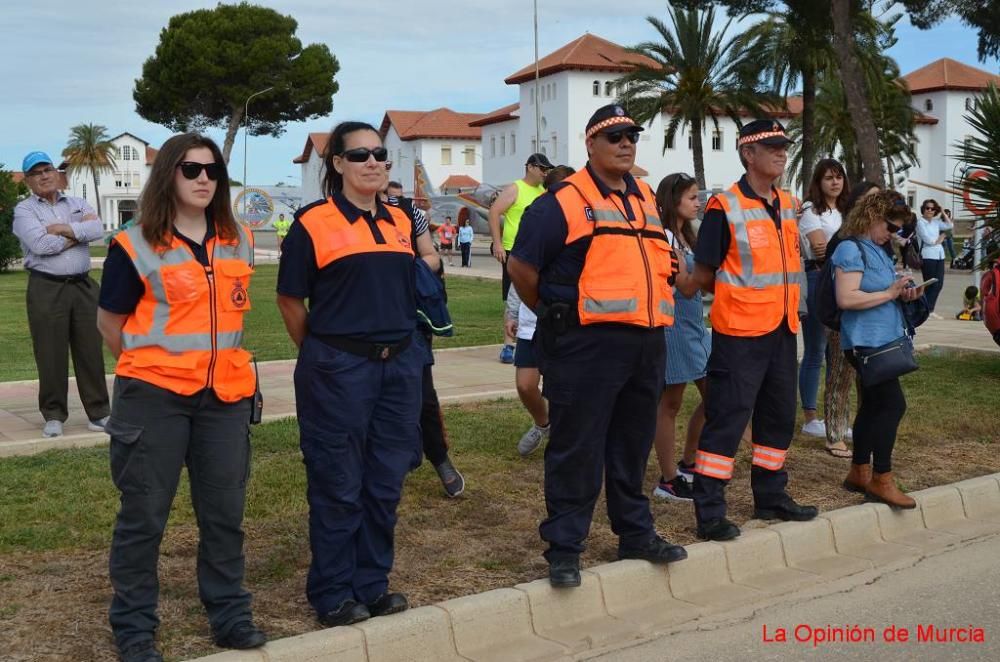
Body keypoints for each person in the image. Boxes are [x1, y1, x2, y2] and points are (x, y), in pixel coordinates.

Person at [96, 133, 266, 662]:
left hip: (226, 397)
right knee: (144, 515)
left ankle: (230, 615)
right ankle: (134, 627)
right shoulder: (134, 243)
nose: (202, 179)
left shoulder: (237, 237)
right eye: (190, 169)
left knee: (224, 513)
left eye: (212, 170)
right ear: (168, 173)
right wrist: (154, 366)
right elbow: (110, 322)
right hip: (154, 398)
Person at [508, 104, 688, 588]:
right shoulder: (563, 201)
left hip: (646, 342)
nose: (625, 143)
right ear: (590, 145)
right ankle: (565, 548)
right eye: (614, 137)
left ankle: (635, 533)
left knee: (631, 445)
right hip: (586, 345)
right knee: (576, 448)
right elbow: (523, 268)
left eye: (631, 135)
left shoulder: (645, 196)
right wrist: (555, 310)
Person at [277, 122, 427, 627]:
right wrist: (325, 352)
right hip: (338, 369)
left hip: (398, 368)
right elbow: (290, 299)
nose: (372, 162)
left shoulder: (401, 222)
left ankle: (372, 584)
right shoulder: (312, 223)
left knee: (384, 483)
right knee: (338, 483)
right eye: (359, 154)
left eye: (379, 153)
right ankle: (334, 592)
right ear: (337, 164)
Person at [689, 119, 818, 542]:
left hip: (782, 329)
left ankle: (770, 496)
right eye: (773, 146)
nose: (782, 152)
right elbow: (706, 273)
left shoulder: (787, 203)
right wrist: (739, 299)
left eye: (784, 146)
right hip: (740, 334)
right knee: (727, 420)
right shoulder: (723, 207)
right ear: (748, 154)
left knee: (778, 419)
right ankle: (709, 511)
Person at [831, 191, 924, 509]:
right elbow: (847, 298)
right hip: (866, 342)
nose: (894, 233)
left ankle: (859, 470)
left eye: (898, 229)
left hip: (881, 339)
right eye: (891, 226)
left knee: (872, 406)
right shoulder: (850, 248)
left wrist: (902, 292)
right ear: (872, 216)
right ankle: (881, 479)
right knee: (892, 405)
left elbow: (880, 291)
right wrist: (889, 292)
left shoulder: (876, 249)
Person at [12, 151, 110, 438]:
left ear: (56, 173)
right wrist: (78, 235)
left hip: (83, 285)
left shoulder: (77, 203)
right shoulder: (24, 211)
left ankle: (100, 412)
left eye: (47, 169)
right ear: (28, 180)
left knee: (91, 350)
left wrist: (63, 230)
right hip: (46, 287)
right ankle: (54, 415)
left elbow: (97, 229)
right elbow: (41, 245)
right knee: (50, 352)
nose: (43, 175)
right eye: (36, 173)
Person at [381, 180, 465, 498]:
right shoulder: (337, 215)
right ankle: (388, 463)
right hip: (363, 319)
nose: (371, 165)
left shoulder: (409, 212)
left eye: (380, 158)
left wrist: (405, 267)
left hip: (410, 316)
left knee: (422, 393)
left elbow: (431, 256)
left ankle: (439, 458)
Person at [506, 165, 575, 457]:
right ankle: (542, 424)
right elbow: (520, 270)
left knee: (564, 388)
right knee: (525, 384)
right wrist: (512, 312)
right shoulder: (537, 220)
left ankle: (566, 436)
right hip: (533, 320)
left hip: (569, 323)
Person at [650, 172, 708, 501]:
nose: (697, 202)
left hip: (693, 325)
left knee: (715, 395)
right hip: (673, 325)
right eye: (691, 197)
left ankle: (688, 461)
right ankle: (670, 477)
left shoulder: (687, 236)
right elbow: (685, 287)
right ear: (674, 201)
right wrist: (709, 265)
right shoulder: (664, 238)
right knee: (670, 403)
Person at [796, 159, 850, 450]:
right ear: (818, 181)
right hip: (818, 279)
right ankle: (810, 417)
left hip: (843, 280)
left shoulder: (847, 209)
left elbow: (830, 246)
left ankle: (834, 415)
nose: (835, 182)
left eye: (839, 177)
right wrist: (845, 245)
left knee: (838, 353)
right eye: (829, 178)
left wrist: (834, 246)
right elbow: (818, 248)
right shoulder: (809, 209)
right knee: (816, 350)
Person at [823, 181, 880, 452]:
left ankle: (865, 429)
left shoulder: (880, 239)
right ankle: (835, 434)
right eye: (870, 200)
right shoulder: (844, 239)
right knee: (840, 375)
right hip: (843, 320)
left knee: (868, 378)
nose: (876, 206)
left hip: (872, 319)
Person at [488, 152, 554, 363]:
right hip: (514, 251)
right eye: (543, 169)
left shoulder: (543, 191)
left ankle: (533, 337)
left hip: (537, 252)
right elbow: (494, 212)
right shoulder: (515, 188)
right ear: (531, 167)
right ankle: (508, 344)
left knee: (533, 296)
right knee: (513, 297)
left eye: (548, 170)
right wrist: (497, 243)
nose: (545, 173)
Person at [915, 198, 952, 319]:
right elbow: (928, 240)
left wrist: (942, 212)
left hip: (939, 255)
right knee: (930, 284)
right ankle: (925, 309)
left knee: (939, 284)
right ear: (923, 210)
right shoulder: (920, 223)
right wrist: (939, 239)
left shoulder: (936, 222)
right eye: (927, 208)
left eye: (932, 208)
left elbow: (949, 225)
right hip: (928, 256)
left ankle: (929, 309)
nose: (930, 210)